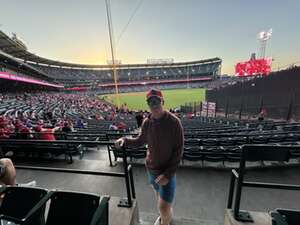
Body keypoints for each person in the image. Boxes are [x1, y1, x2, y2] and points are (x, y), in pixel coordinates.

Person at [115, 89, 184, 225]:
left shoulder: (174, 122)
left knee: (163, 206)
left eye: (156, 101)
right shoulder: (147, 123)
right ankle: (165, 216)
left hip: (166, 172)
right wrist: (125, 139)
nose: (154, 104)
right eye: (151, 102)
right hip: (152, 169)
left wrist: (168, 175)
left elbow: (179, 150)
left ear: (162, 102)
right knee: (159, 196)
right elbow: (140, 140)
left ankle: (165, 219)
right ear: (148, 104)